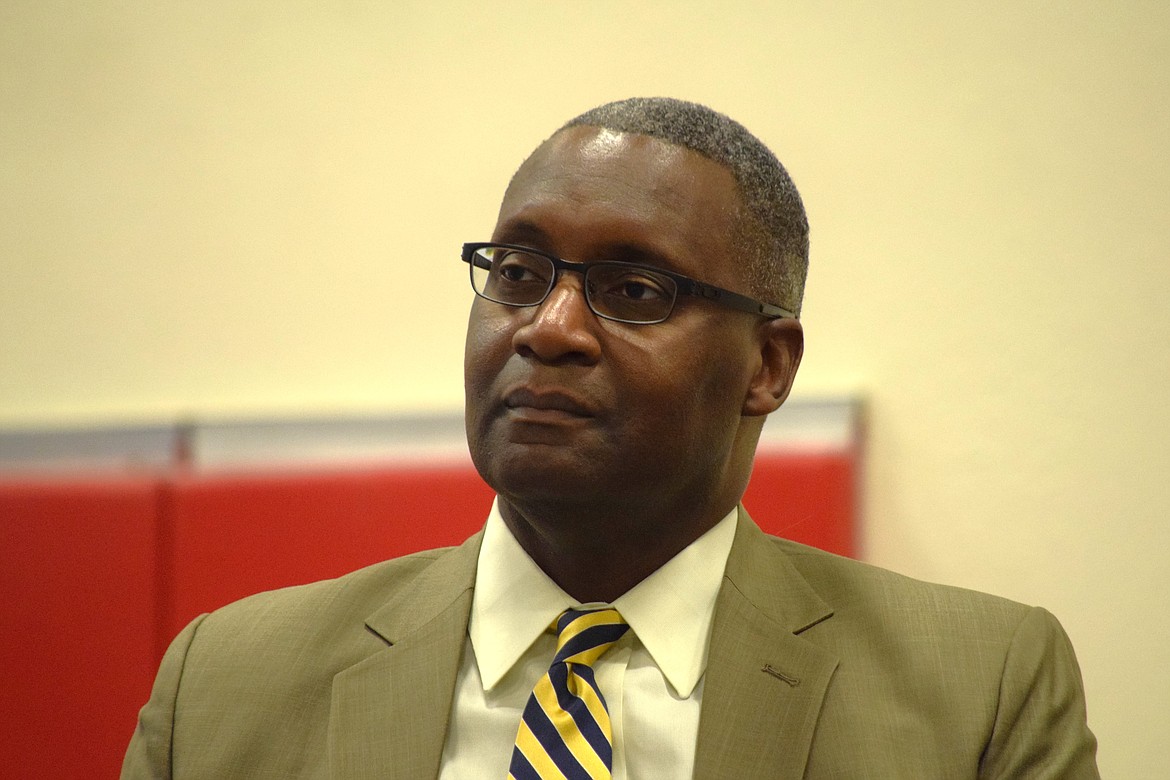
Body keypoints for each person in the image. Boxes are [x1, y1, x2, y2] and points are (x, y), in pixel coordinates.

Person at [122, 97, 1099, 778]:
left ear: (767, 366)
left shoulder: (982, 687)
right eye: (517, 272)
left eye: (634, 292)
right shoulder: (226, 685)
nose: (547, 328)